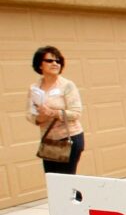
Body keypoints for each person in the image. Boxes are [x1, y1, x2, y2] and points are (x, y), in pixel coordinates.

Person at [26, 46, 85, 174]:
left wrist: (53, 113)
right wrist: (41, 117)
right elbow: (30, 115)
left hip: (69, 138)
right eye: (49, 60)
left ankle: (72, 190)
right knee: (52, 178)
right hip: (49, 140)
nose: (55, 63)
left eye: (58, 61)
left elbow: (76, 113)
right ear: (40, 65)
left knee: (66, 179)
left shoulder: (67, 85)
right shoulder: (34, 88)